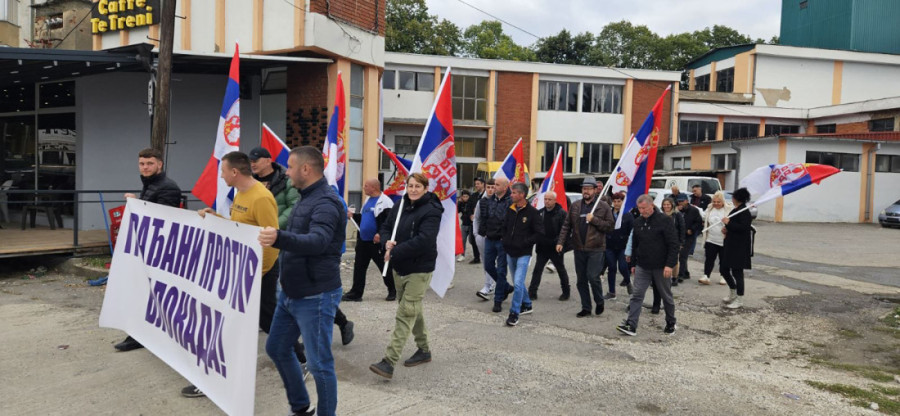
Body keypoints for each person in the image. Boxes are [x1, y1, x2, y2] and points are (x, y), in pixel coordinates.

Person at [184, 150, 285, 399]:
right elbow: (239, 227)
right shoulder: (240, 193)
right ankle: (212, 376)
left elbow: (272, 239)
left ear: (235, 172)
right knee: (230, 320)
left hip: (258, 271)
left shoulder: (261, 198)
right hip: (241, 268)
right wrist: (216, 218)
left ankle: (300, 359)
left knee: (266, 320)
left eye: (223, 171)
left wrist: (256, 274)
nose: (221, 176)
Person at [259, 146, 346, 416]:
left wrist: (279, 238)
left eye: (290, 166)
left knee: (319, 365)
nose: (286, 172)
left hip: (315, 295)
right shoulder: (304, 197)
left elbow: (318, 241)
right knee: (276, 348)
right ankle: (301, 407)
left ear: (305, 169)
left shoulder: (326, 203)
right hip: (291, 292)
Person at [369, 173, 442, 379]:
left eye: (418, 186)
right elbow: (386, 227)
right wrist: (386, 242)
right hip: (399, 267)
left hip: (420, 269)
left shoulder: (432, 210)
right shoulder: (400, 204)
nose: (413, 190)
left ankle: (389, 361)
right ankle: (424, 350)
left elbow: (424, 240)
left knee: (405, 313)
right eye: (410, 186)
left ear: (426, 188)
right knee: (412, 309)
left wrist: (395, 251)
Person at [115, 148, 182, 352]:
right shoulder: (150, 184)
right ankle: (142, 334)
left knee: (153, 294)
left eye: (150, 163)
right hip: (148, 247)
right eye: (142, 164)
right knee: (144, 292)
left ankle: (144, 335)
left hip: (160, 250)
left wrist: (137, 204)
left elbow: (163, 219)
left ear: (159, 164)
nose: (145, 167)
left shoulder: (168, 187)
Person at [617, 195, 679, 337]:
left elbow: (673, 244)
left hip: (661, 266)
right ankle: (631, 324)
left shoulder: (665, 220)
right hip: (642, 265)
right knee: (637, 295)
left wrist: (669, 265)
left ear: (652, 205)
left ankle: (671, 322)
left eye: (644, 208)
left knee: (666, 296)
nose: (642, 211)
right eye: (639, 208)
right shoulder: (638, 222)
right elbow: (635, 244)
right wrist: (633, 263)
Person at [556, 177, 614, 318]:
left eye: (588, 188)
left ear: (595, 190)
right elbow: (566, 225)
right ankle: (586, 307)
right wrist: (560, 242)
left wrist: (594, 220)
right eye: (584, 188)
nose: (586, 191)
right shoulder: (575, 205)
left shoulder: (603, 206)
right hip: (579, 248)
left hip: (596, 248)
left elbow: (610, 226)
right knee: (581, 280)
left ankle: (599, 301)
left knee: (593, 277)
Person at [344, 178, 397, 301]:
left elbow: (389, 221)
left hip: (376, 242)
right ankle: (356, 293)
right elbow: (364, 218)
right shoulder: (367, 200)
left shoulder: (385, 202)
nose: (364, 187)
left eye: (366, 186)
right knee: (359, 267)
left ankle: (392, 290)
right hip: (363, 241)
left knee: (383, 266)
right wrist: (353, 216)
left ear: (374, 187)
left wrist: (380, 233)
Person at [502, 182, 544, 326]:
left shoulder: (533, 213)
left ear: (522, 195)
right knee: (517, 282)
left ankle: (514, 313)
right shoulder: (510, 209)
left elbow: (539, 233)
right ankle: (527, 304)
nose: (511, 195)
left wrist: (525, 242)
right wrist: (504, 240)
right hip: (510, 252)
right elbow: (505, 227)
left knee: (518, 283)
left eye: (514, 193)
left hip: (523, 253)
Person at [529, 191, 571, 301]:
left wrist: (559, 243)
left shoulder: (561, 213)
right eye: (545, 199)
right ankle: (532, 292)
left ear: (555, 200)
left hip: (555, 247)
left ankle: (566, 292)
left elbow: (565, 230)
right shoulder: (540, 213)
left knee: (561, 270)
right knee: (537, 270)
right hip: (542, 247)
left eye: (549, 199)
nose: (547, 201)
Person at [480, 177, 513, 312]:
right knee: (488, 265)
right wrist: (484, 231)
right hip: (490, 238)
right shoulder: (490, 200)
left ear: (505, 187)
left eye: (497, 185)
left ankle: (498, 299)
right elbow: (485, 218)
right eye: (494, 185)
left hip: (502, 240)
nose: (494, 187)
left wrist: (506, 236)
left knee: (501, 270)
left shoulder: (510, 201)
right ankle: (506, 286)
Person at [249, 146, 299, 229]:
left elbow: (294, 207)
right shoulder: (249, 182)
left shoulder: (286, 180)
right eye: (250, 162)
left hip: (276, 232)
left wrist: (274, 226)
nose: (252, 165)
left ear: (268, 161)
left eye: (255, 161)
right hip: (252, 231)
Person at [720, 188, 754, 309]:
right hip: (730, 245)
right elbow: (734, 226)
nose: (732, 199)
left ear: (737, 198)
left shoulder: (744, 211)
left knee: (737, 272)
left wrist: (728, 223)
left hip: (739, 248)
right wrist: (726, 229)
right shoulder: (736, 210)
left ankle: (739, 298)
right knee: (724, 269)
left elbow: (743, 228)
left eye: (733, 197)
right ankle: (733, 291)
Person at [604, 192, 633, 300]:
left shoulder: (627, 214)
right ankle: (612, 292)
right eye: (615, 201)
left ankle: (628, 282)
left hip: (623, 246)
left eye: (619, 201)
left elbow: (632, 231)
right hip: (610, 245)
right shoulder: (608, 213)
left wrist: (630, 247)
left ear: (622, 202)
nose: (616, 203)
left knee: (623, 267)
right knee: (611, 268)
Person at [700, 191, 733, 286]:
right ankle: (706, 275)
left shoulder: (729, 210)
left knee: (723, 260)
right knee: (709, 259)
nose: (716, 203)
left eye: (718, 202)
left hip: (724, 240)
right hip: (711, 239)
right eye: (714, 201)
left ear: (723, 202)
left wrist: (728, 227)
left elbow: (733, 222)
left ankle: (724, 276)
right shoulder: (709, 208)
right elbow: (704, 217)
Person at [474, 180, 495, 299]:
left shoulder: (501, 201)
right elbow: (476, 219)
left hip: (495, 237)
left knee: (492, 262)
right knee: (486, 262)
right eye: (489, 187)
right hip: (482, 236)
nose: (490, 190)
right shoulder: (481, 202)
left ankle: (489, 285)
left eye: (493, 187)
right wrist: (476, 234)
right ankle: (489, 284)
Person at [677, 193, 703, 282]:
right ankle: (686, 273)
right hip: (679, 235)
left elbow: (699, 222)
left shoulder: (693, 210)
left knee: (683, 255)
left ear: (686, 201)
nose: (680, 203)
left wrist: (692, 229)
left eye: (682, 201)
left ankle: (680, 275)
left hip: (689, 236)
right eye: (679, 201)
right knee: (681, 255)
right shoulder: (677, 210)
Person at [467, 178, 485, 264]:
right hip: (474, 222)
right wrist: (470, 215)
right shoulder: (473, 196)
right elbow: (468, 207)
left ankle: (485, 256)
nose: (476, 185)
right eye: (475, 184)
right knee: (473, 240)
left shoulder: (486, 195)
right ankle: (476, 257)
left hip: (484, 222)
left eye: (478, 184)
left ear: (483, 184)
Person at [458, 189, 474, 262]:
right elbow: (457, 211)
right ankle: (462, 255)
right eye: (463, 196)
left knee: (471, 240)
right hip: (464, 224)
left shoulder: (471, 203)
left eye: (466, 196)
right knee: (462, 240)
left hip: (471, 225)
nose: (465, 198)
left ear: (469, 196)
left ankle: (476, 253)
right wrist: (459, 202)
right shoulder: (461, 203)